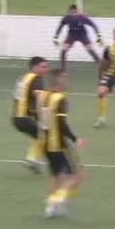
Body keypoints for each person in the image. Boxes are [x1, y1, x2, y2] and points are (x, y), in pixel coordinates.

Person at [40, 69, 86, 218]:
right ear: (58, 80)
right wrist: (75, 138)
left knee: (57, 176)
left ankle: (51, 209)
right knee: (79, 176)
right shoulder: (60, 98)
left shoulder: (44, 96)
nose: (67, 81)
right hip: (59, 143)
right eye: (65, 79)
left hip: (46, 143)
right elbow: (61, 123)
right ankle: (56, 200)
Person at [12, 56, 49, 173]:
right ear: (34, 67)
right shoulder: (36, 79)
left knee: (41, 135)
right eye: (43, 67)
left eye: (47, 67)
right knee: (45, 134)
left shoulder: (23, 78)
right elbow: (40, 99)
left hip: (16, 117)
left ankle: (33, 159)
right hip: (25, 117)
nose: (46, 70)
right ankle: (31, 158)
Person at [52, 4, 101, 71]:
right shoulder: (66, 18)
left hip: (82, 34)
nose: (73, 14)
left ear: (77, 11)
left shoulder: (83, 17)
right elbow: (60, 27)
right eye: (72, 13)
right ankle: (63, 70)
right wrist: (55, 37)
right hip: (72, 35)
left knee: (90, 50)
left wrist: (98, 36)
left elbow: (93, 25)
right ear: (69, 12)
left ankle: (101, 66)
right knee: (63, 51)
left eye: (75, 12)